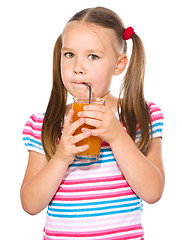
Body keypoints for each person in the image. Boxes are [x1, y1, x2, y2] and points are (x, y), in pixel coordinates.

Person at [21, 6, 165, 240]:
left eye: (93, 56)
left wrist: (117, 136)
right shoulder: (44, 124)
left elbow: (152, 192)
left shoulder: (141, 116)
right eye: (69, 55)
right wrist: (61, 157)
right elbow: (30, 203)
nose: (78, 67)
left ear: (118, 65)